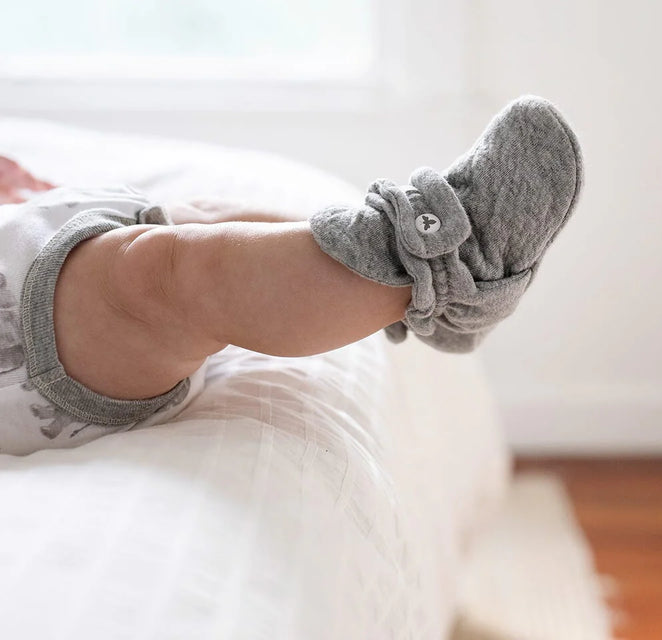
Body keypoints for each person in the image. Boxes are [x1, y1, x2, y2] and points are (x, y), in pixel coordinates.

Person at [0, 95, 583, 455]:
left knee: (205, 220)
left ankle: (430, 295)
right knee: (159, 272)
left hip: (34, 236)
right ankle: (432, 263)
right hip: (31, 333)